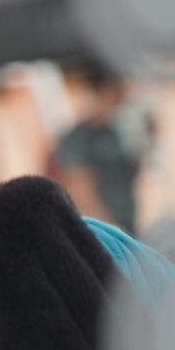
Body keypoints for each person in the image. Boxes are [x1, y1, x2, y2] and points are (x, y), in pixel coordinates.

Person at [54, 55, 140, 233]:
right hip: (105, 232)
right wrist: (114, 232)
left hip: (126, 225)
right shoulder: (79, 137)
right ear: (107, 88)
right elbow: (81, 192)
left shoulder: (115, 132)